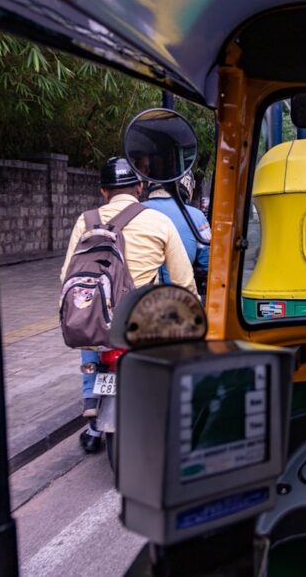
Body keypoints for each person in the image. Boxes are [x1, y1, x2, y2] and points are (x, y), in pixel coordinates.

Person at [61, 157, 197, 453]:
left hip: (100, 326)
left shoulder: (86, 221)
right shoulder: (160, 222)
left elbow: (66, 276)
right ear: (140, 187)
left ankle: (91, 402)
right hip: (141, 318)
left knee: (94, 319)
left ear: (103, 192)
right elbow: (183, 278)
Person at [143, 173, 210, 294]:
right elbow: (207, 263)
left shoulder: (133, 211)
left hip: (138, 300)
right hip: (180, 298)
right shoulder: (197, 216)